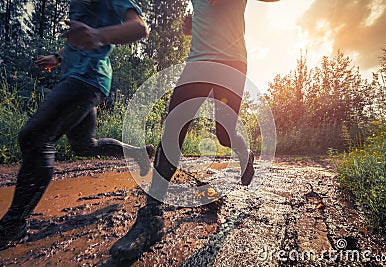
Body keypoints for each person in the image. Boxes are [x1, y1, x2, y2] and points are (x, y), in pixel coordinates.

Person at [110, 0, 258, 262]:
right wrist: (192, 27)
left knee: (224, 134)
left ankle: (245, 155)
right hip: (197, 62)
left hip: (231, 65)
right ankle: (152, 216)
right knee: (172, 130)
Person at [0, 0, 151, 250]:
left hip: (88, 78)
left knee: (36, 137)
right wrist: (58, 56)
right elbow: (79, 37)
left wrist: (97, 35)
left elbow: (139, 28)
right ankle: (136, 153)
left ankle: (13, 225)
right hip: (78, 76)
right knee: (84, 145)